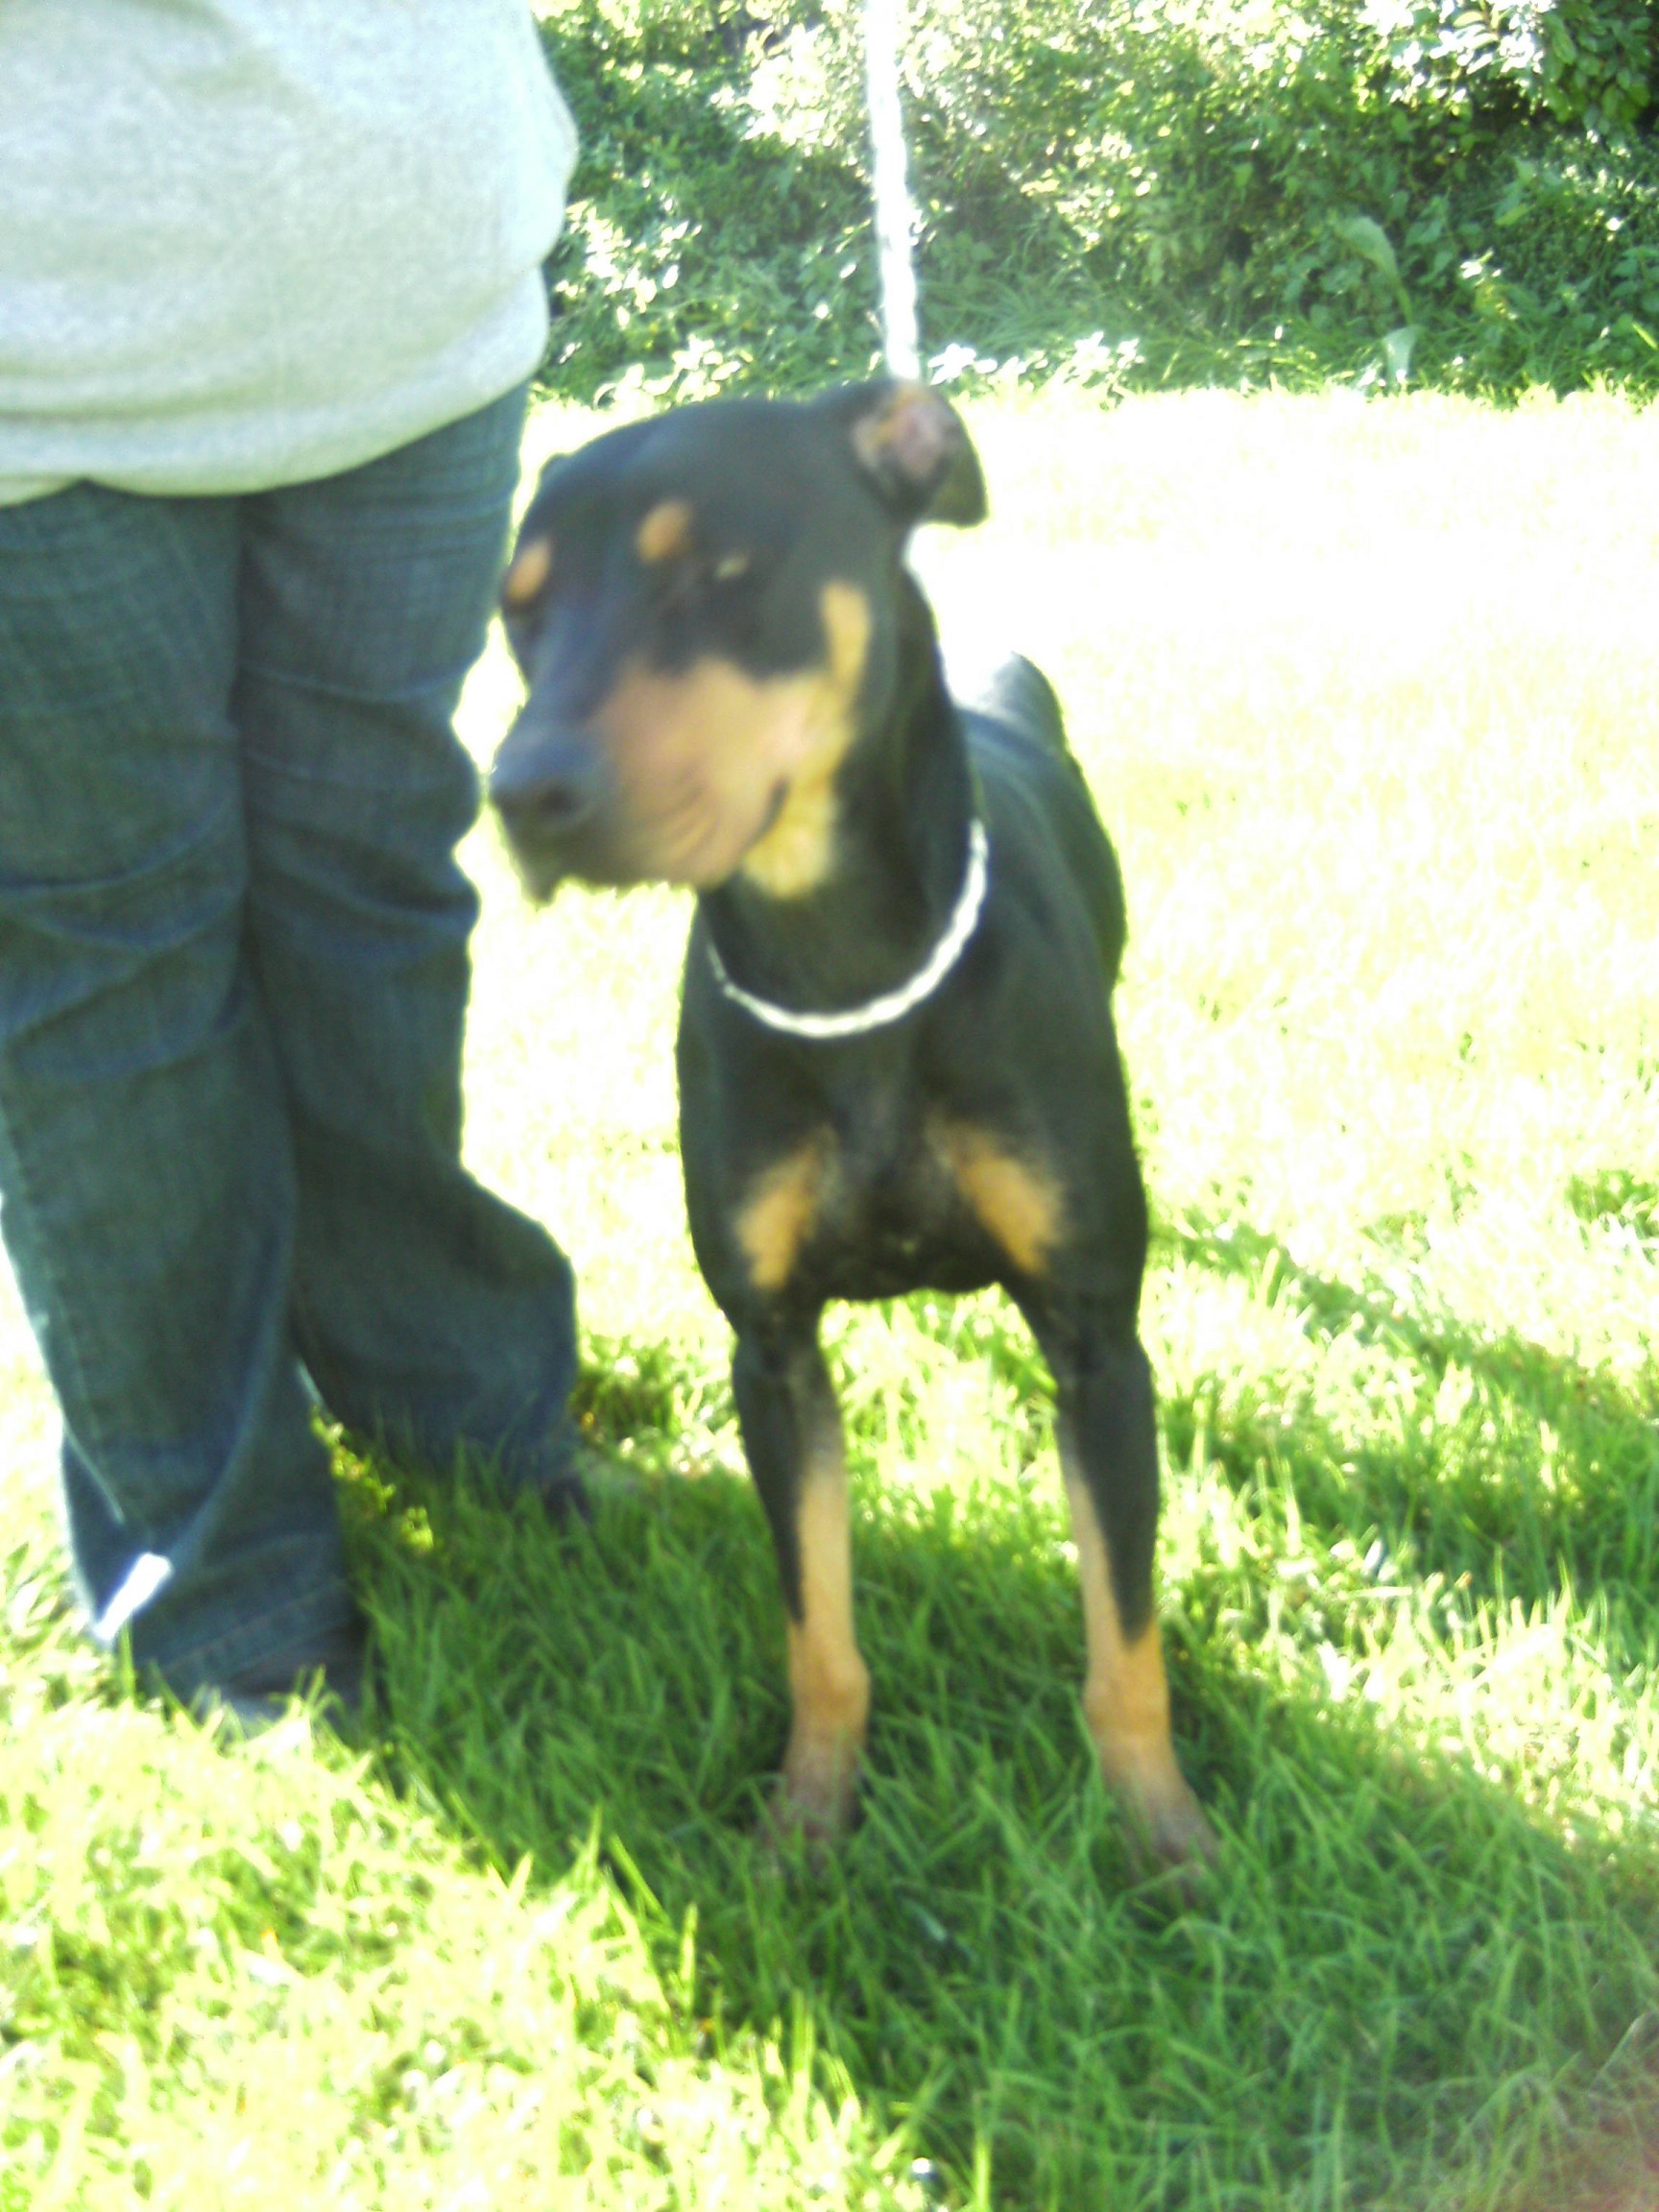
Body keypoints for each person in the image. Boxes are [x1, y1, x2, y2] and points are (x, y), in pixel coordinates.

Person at [0, 4, 586, 1719]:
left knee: (373, 885)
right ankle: (225, 1569)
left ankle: (459, 1408)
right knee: (118, 954)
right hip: (44, 354)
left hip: (415, 294)